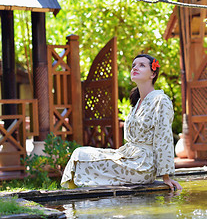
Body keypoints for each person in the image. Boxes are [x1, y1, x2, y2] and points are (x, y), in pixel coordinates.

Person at [61, 54, 182, 191]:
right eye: (134, 65)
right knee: (79, 152)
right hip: (128, 156)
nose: (135, 68)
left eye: (142, 65)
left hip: (142, 166)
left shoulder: (161, 100)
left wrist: (166, 176)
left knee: (82, 157)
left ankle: (82, 204)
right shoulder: (136, 103)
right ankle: (77, 202)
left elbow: (163, 138)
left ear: (153, 74)